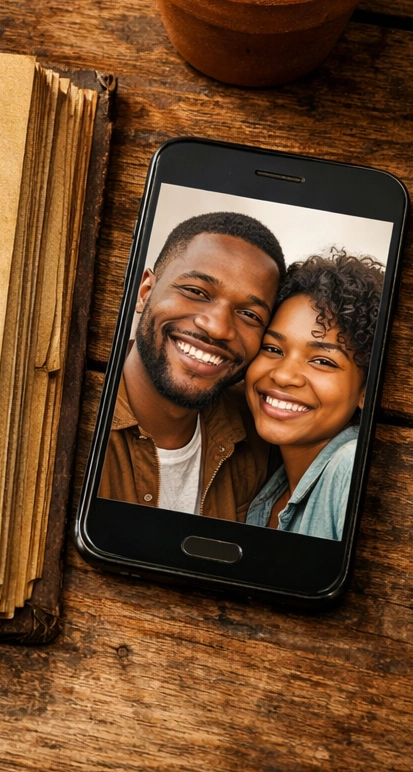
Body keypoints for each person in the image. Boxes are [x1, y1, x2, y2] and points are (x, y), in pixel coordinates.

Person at [97, 211, 284, 520]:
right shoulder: (63, 418)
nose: (218, 328)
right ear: (144, 292)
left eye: (250, 315)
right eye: (196, 292)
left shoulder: (263, 433)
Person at [244, 251, 384, 540]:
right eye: (272, 349)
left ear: (366, 391)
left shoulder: (351, 467)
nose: (284, 375)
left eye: (323, 361)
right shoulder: (272, 487)